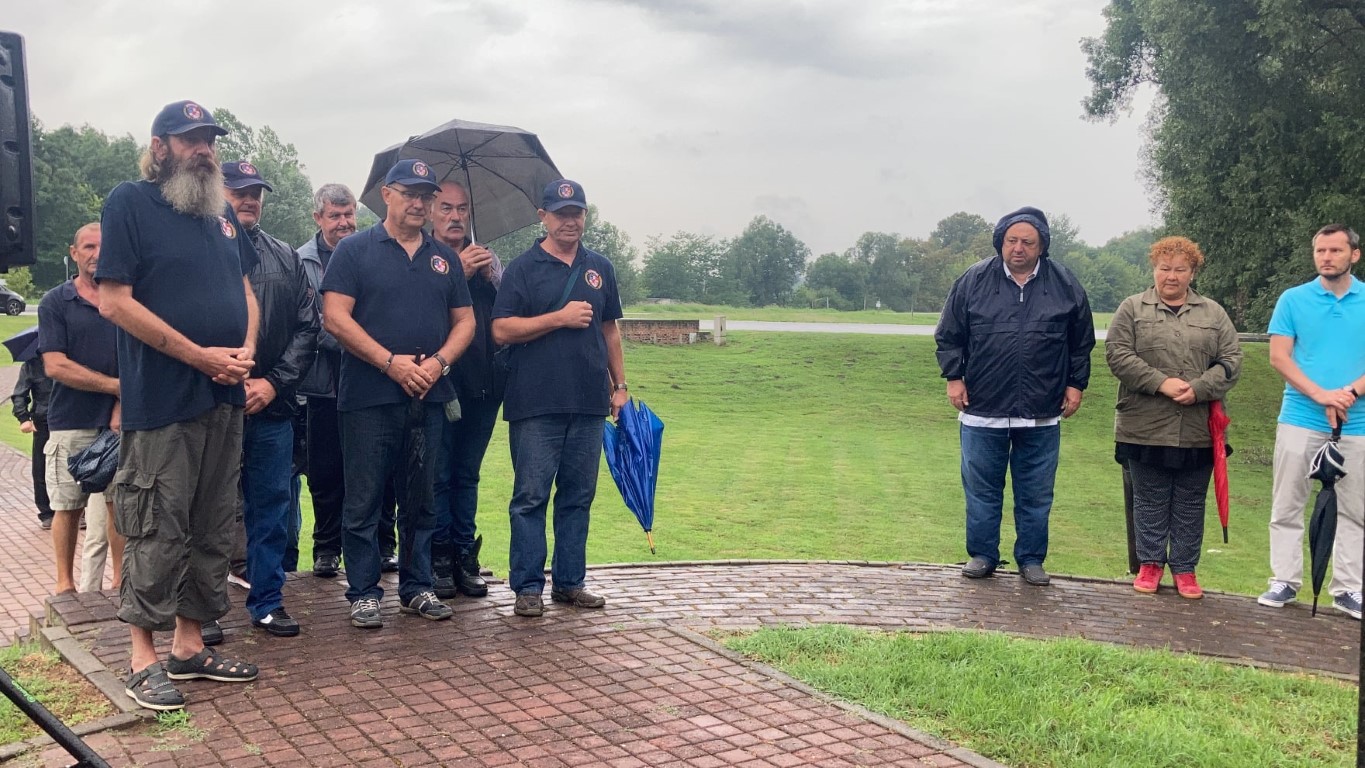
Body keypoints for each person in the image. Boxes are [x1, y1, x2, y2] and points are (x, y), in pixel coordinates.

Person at [96, 99, 261, 711]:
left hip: (224, 396)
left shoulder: (222, 216)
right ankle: (142, 658)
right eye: (191, 139)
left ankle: (189, 647)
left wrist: (246, 348)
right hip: (164, 400)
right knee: (156, 525)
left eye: (210, 139)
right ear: (160, 146)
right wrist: (200, 356)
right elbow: (114, 300)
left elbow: (245, 289)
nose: (205, 149)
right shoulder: (130, 203)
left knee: (212, 525)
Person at [320, 159, 474, 629]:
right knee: (364, 499)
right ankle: (364, 592)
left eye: (426, 195)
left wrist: (438, 363)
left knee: (421, 498)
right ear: (386, 195)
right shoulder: (355, 250)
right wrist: (390, 363)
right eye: (410, 193)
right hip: (368, 397)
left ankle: (417, 587)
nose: (419, 203)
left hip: (428, 395)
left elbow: (466, 322)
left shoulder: (444, 258)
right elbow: (335, 317)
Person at [934, 206, 1095, 587]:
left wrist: (1076, 384)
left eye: (1027, 242)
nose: (1018, 248)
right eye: (1011, 240)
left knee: (1036, 493)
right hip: (982, 408)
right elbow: (950, 334)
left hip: (1042, 410)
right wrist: (954, 377)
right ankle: (983, 554)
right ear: (1000, 241)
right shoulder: (973, 280)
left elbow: (1080, 342)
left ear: (1042, 246)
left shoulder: (1064, 284)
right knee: (982, 490)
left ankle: (1031, 558)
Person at [492, 179, 628, 618]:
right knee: (530, 497)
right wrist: (559, 318)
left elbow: (609, 329)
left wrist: (620, 386)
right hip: (535, 403)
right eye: (561, 213)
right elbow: (501, 329)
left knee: (578, 497)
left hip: (589, 403)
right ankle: (528, 587)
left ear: (585, 215)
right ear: (543, 217)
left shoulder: (600, 267)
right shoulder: (522, 268)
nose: (570, 221)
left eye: (577, 213)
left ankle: (570, 582)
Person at [1105, 236, 1241, 599]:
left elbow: (1231, 361)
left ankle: (1185, 569)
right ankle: (1150, 564)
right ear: (1154, 269)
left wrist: (1199, 388)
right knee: (1149, 499)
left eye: (1181, 269)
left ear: (1192, 272)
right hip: (1144, 427)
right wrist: (1161, 383)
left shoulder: (1214, 314)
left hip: (1198, 429)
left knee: (1190, 502)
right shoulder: (1132, 309)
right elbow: (1117, 354)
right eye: (1165, 268)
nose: (1172, 276)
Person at [221, 160, 319, 637]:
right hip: (212, 404)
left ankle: (267, 601)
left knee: (272, 508)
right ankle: (201, 611)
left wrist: (273, 383)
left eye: (256, 192)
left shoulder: (285, 256)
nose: (249, 199)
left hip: (273, 406)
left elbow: (308, 326)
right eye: (239, 190)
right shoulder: (196, 250)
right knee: (208, 510)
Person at [1258, 224, 1365, 620]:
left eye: (1336, 250)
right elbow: (1279, 357)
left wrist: (1349, 393)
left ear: (1354, 254)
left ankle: (1348, 588)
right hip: (1301, 417)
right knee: (1288, 503)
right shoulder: (1293, 299)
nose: (1327, 257)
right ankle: (1284, 580)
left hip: (1357, 421)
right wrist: (1322, 395)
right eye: (1321, 251)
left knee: (1354, 509)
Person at [297, 184, 400, 578]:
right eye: (334, 216)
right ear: (318, 218)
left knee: (380, 466)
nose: (343, 223)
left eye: (348, 215)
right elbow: (311, 322)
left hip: (372, 379)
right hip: (323, 383)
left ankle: (384, 544)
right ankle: (327, 548)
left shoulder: (373, 252)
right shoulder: (301, 261)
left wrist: (362, 340)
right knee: (325, 470)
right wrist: (355, 338)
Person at [38, 222, 125, 595]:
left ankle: (120, 583)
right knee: (67, 506)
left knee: (119, 506)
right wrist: (114, 386)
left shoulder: (124, 300)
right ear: (74, 253)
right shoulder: (56, 302)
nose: (97, 254)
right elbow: (55, 365)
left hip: (120, 423)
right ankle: (64, 585)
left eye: (104, 246)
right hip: (70, 420)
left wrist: (121, 401)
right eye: (88, 247)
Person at [429, 180, 503, 599]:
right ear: (431, 211)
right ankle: (438, 556)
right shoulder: (422, 256)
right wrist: (459, 272)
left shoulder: (487, 258)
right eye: (446, 208)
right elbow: (417, 312)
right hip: (439, 383)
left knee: (467, 473)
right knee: (438, 473)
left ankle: (464, 554)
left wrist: (492, 277)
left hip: (483, 384)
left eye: (462, 209)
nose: (455, 216)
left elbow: (507, 314)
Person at [10, 353, 53, 530]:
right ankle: (47, 512)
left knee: (71, 464)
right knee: (41, 466)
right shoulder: (31, 366)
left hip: (68, 418)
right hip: (43, 420)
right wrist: (23, 418)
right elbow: (19, 394)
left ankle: (76, 510)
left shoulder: (71, 360)